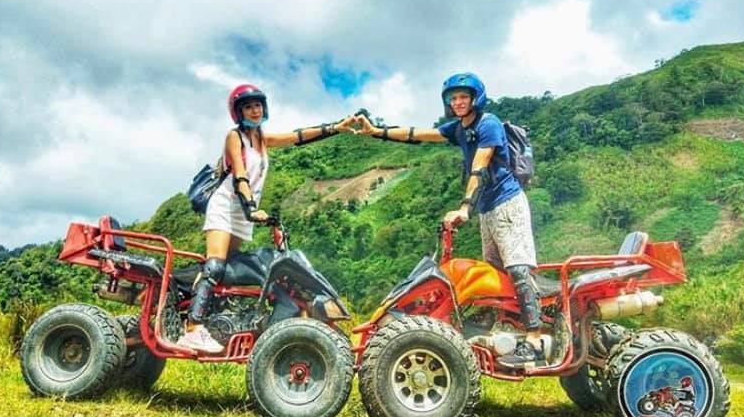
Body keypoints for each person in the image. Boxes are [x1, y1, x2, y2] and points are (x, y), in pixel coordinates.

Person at [355, 72, 543, 366]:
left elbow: (479, 167)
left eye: (463, 97)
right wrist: (375, 131)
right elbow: (416, 135)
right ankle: (497, 327)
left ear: (475, 98)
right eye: (453, 98)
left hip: (508, 204)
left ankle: (534, 339)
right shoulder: (458, 129)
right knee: (494, 273)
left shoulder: (488, 124)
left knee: (518, 269)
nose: (457, 102)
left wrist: (465, 206)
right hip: (489, 210)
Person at [177, 83, 356, 352]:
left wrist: (337, 127)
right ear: (238, 112)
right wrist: (250, 207)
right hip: (226, 207)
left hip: (242, 213)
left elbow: (298, 137)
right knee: (215, 266)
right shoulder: (234, 137)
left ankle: (200, 307)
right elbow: (240, 176)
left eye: (258, 104)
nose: (255, 109)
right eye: (248, 106)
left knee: (228, 268)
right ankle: (193, 328)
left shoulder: (261, 139)